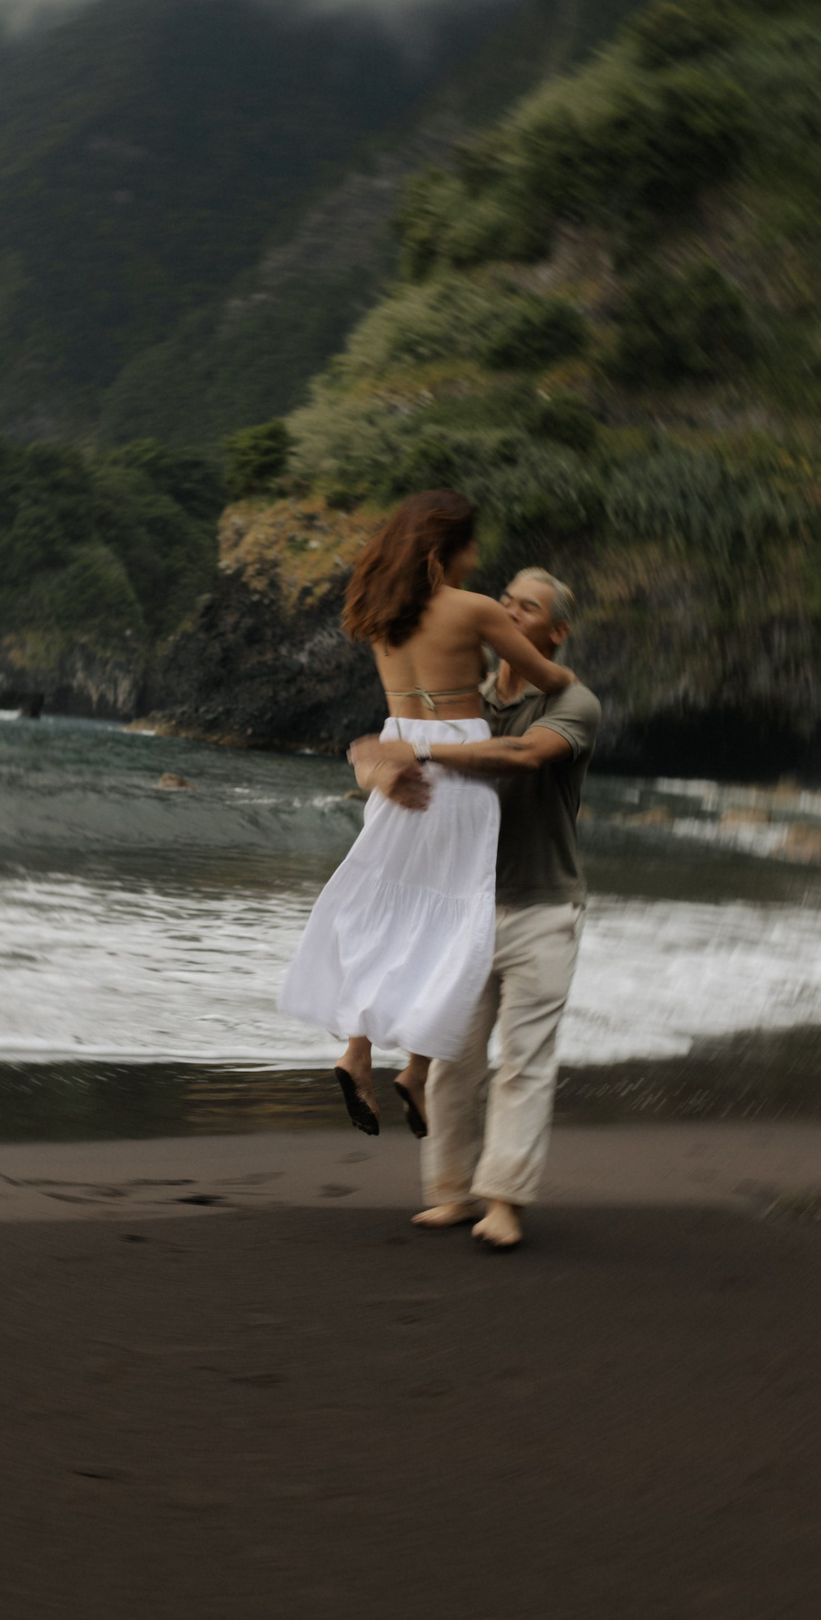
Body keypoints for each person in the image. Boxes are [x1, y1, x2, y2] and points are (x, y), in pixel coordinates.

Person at [277, 492, 576, 1140]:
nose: (480, 557)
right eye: (472, 544)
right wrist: (562, 666)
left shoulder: (379, 612)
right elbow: (547, 679)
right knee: (452, 925)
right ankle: (415, 1067)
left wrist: (378, 763)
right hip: (459, 766)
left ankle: (358, 1052)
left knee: (381, 913)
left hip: (396, 758)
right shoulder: (474, 610)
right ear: (447, 549)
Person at [348, 566, 598, 1252]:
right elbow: (381, 751)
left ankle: (505, 1201)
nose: (509, 613)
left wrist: (418, 749)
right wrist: (375, 769)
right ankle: (452, 1193)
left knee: (524, 1059)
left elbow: (520, 755)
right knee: (455, 1056)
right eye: (505, 602)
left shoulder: (572, 700)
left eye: (529, 608)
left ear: (555, 631)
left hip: (545, 907)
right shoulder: (464, 702)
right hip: (465, 908)